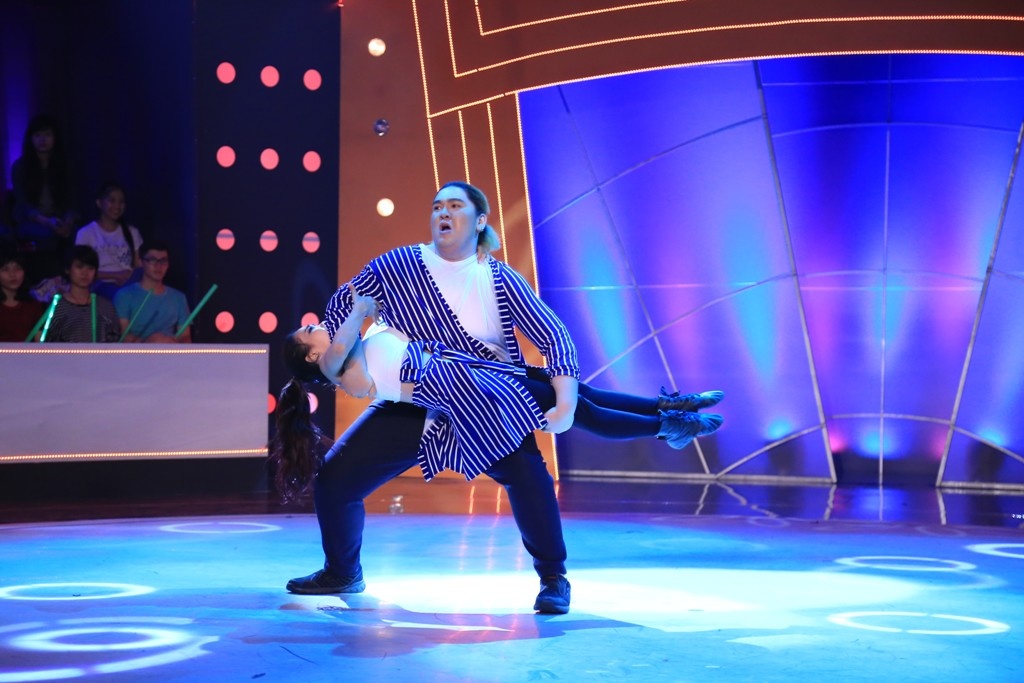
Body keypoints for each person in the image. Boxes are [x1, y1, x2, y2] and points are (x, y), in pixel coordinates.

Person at [278, 180, 717, 615]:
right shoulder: (399, 266)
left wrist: (564, 402)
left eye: (455, 206)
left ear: (480, 220)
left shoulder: (501, 279)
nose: (443, 213)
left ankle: (554, 577)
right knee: (335, 481)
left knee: (534, 465)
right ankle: (342, 571)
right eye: (437, 206)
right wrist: (342, 349)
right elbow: (343, 313)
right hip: (414, 404)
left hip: (487, 397)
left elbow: (553, 334)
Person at [277, 298, 723, 484]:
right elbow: (345, 337)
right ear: (314, 356)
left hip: (480, 372)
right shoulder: (345, 373)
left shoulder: (364, 342)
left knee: (579, 392)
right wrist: (358, 308)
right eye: (311, 330)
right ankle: (670, 427)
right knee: (579, 412)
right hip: (474, 394)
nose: (320, 324)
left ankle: (670, 406)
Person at [10, 115, 76, 283]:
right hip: (32, 221)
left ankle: (71, 283)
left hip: (59, 219)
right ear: (31, 138)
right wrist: (47, 222)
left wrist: (68, 222)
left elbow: (72, 199)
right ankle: (46, 284)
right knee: (48, 237)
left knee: (79, 234)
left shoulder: (65, 165)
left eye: (47, 135)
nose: (42, 140)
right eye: (38, 135)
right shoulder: (20, 167)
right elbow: (23, 205)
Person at [75, 182, 143, 300]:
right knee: (119, 296)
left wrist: (130, 276)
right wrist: (116, 275)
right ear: (99, 203)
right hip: (100, 284)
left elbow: (138, 265)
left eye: (121, 202)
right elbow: (81, 269)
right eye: (112, 200)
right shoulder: (86, 233)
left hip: (129, 283)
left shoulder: (132, 232)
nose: (117, 206)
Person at [114, 240, 191, 343]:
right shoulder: (124, 295)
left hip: (170, 351)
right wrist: (150, 343)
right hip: (137, 352)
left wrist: (168, 343)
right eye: (153, 260)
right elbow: (123, 336)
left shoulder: (179, 298)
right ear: (141, 262)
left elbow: (186, 337)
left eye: (163, 261)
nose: (159, 266)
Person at [41, 245, 120, 343]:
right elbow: (45, 341)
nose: (85, 273)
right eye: (79, 267)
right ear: (67, 269)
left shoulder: (106, 306)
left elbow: (115, 340)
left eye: (90, 268)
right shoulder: (56, 306)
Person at [0, 248, 45, 341]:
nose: (13, 274)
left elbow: (40, 342)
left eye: (18, 268)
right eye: (5, 269)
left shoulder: (33, 306)